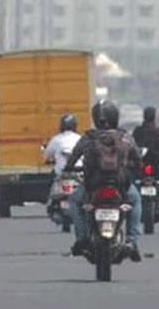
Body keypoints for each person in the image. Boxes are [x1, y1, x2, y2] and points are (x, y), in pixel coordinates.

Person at [64, 100, 143, 262]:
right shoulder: (125, 137)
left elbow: (73, 157)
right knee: (135, 200)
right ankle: (131, 241)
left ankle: (82, 238)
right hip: (121, 186)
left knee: (74, 200)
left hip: (93, 185)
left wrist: (68, 169)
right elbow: (138, 160)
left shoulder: (88, 137)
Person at [133, 107, 159, 199]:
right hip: (156, 163)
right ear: (154, 117)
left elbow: (132, 146)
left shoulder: (138, 131)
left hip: (141, 164)